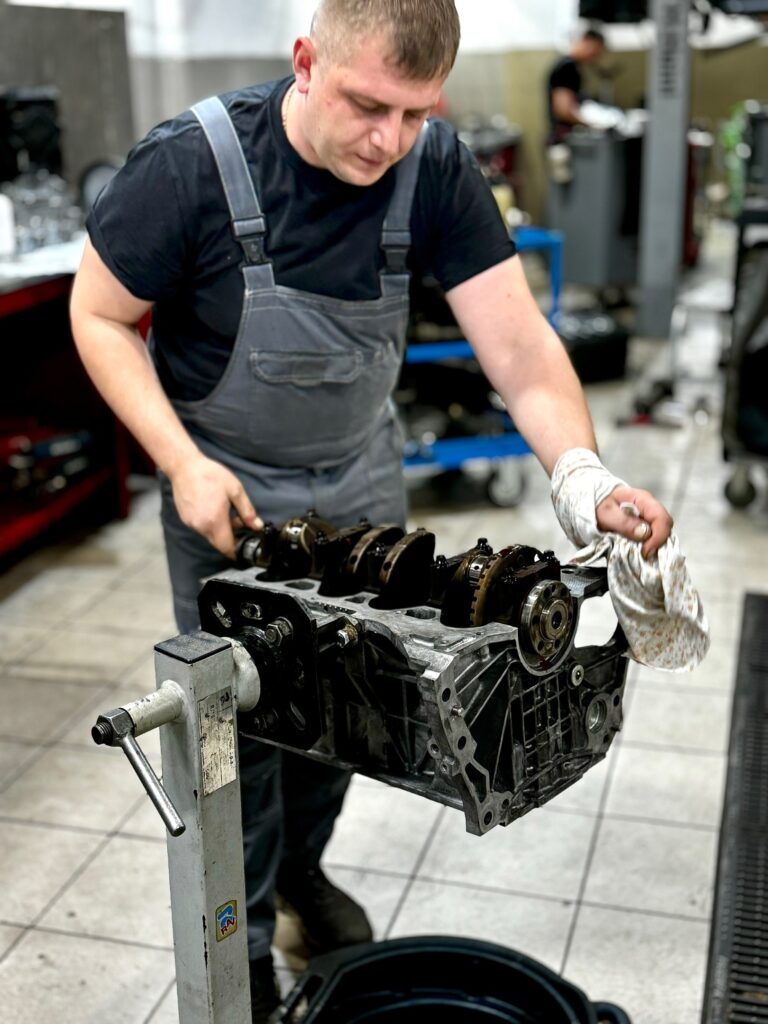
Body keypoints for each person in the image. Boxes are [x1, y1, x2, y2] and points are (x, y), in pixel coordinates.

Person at [69, 2, 672, 1019]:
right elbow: (99, 314)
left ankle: (302, 873)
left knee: (356, 709)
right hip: (227, 492)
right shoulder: (191, 165)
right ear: (307, 61)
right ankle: (241, 945)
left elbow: (520, 349)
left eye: (416, 114)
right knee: (239, 737)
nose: (388, 141)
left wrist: (582, 475)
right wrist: (179, 462)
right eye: (368, 106)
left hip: (358, 481)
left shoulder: (433, 170)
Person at [546, 28, 606, 143]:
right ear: (587, 42)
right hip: (563, 139)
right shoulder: (567, 68)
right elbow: (563, 110)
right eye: (595, 52)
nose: (595, 58)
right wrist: (592, 124)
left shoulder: (570, 66)